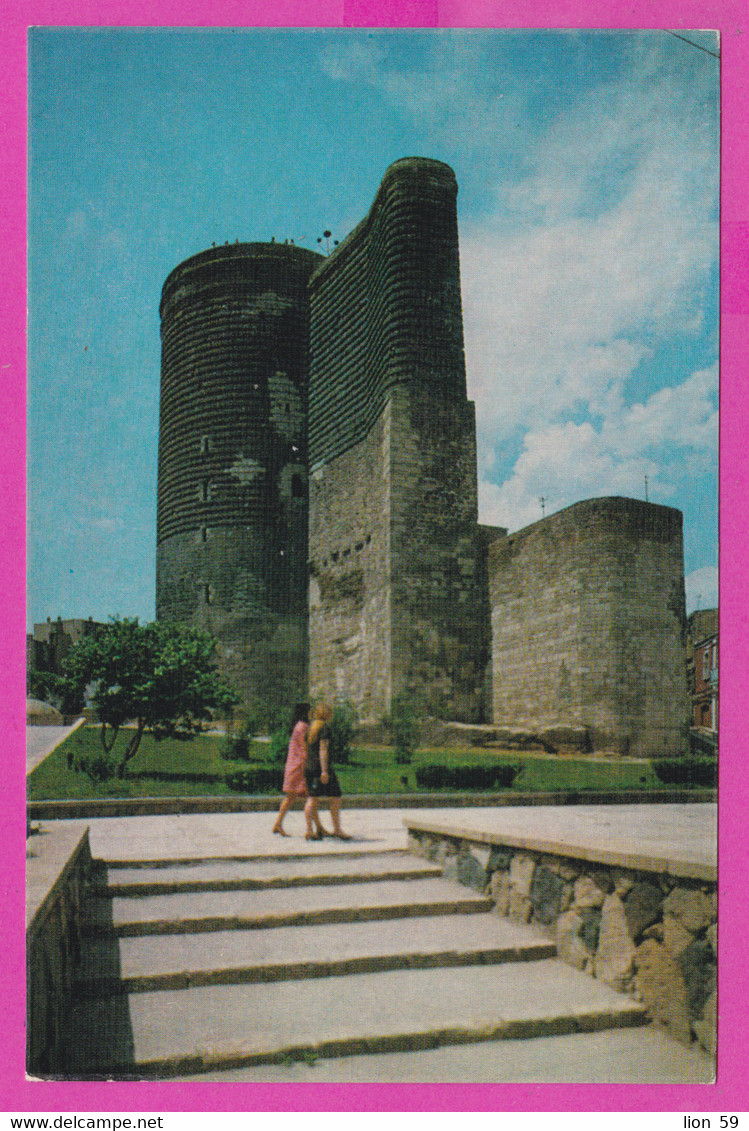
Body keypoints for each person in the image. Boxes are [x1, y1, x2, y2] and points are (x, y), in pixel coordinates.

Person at [304, 702, 351, 841]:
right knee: (336, 797)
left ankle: (309, 830)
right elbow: (323, 749)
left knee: (312, 799)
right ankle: (337, 829)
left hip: (309, 767)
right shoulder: (324, 728)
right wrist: (324, 771)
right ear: (326, 714)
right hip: (321, 768)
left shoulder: (310, 728)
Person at [272, 702, 313, 836]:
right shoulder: (303, 727)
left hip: (294, 764)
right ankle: (310, 829)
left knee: (294, 797)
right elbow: (304, 747)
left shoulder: (297, 726)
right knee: (310, 798)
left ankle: (278, 823)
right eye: (310, 711)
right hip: (300, 766)